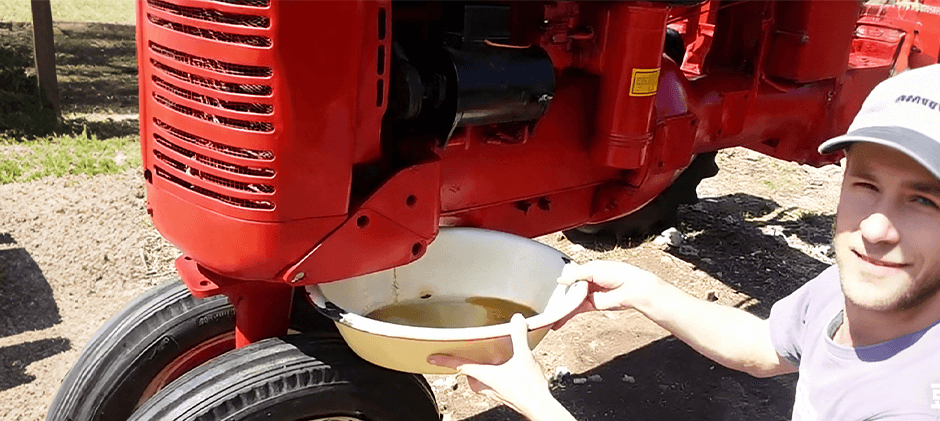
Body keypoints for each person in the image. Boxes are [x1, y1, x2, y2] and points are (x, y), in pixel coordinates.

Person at [429, 63, 940, 420]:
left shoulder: (914, 404)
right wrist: (643, 291)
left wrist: (536, 402)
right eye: (866, 185)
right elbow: (767, 347)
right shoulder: (848, 289)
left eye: (925, 201)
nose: (875, 229)